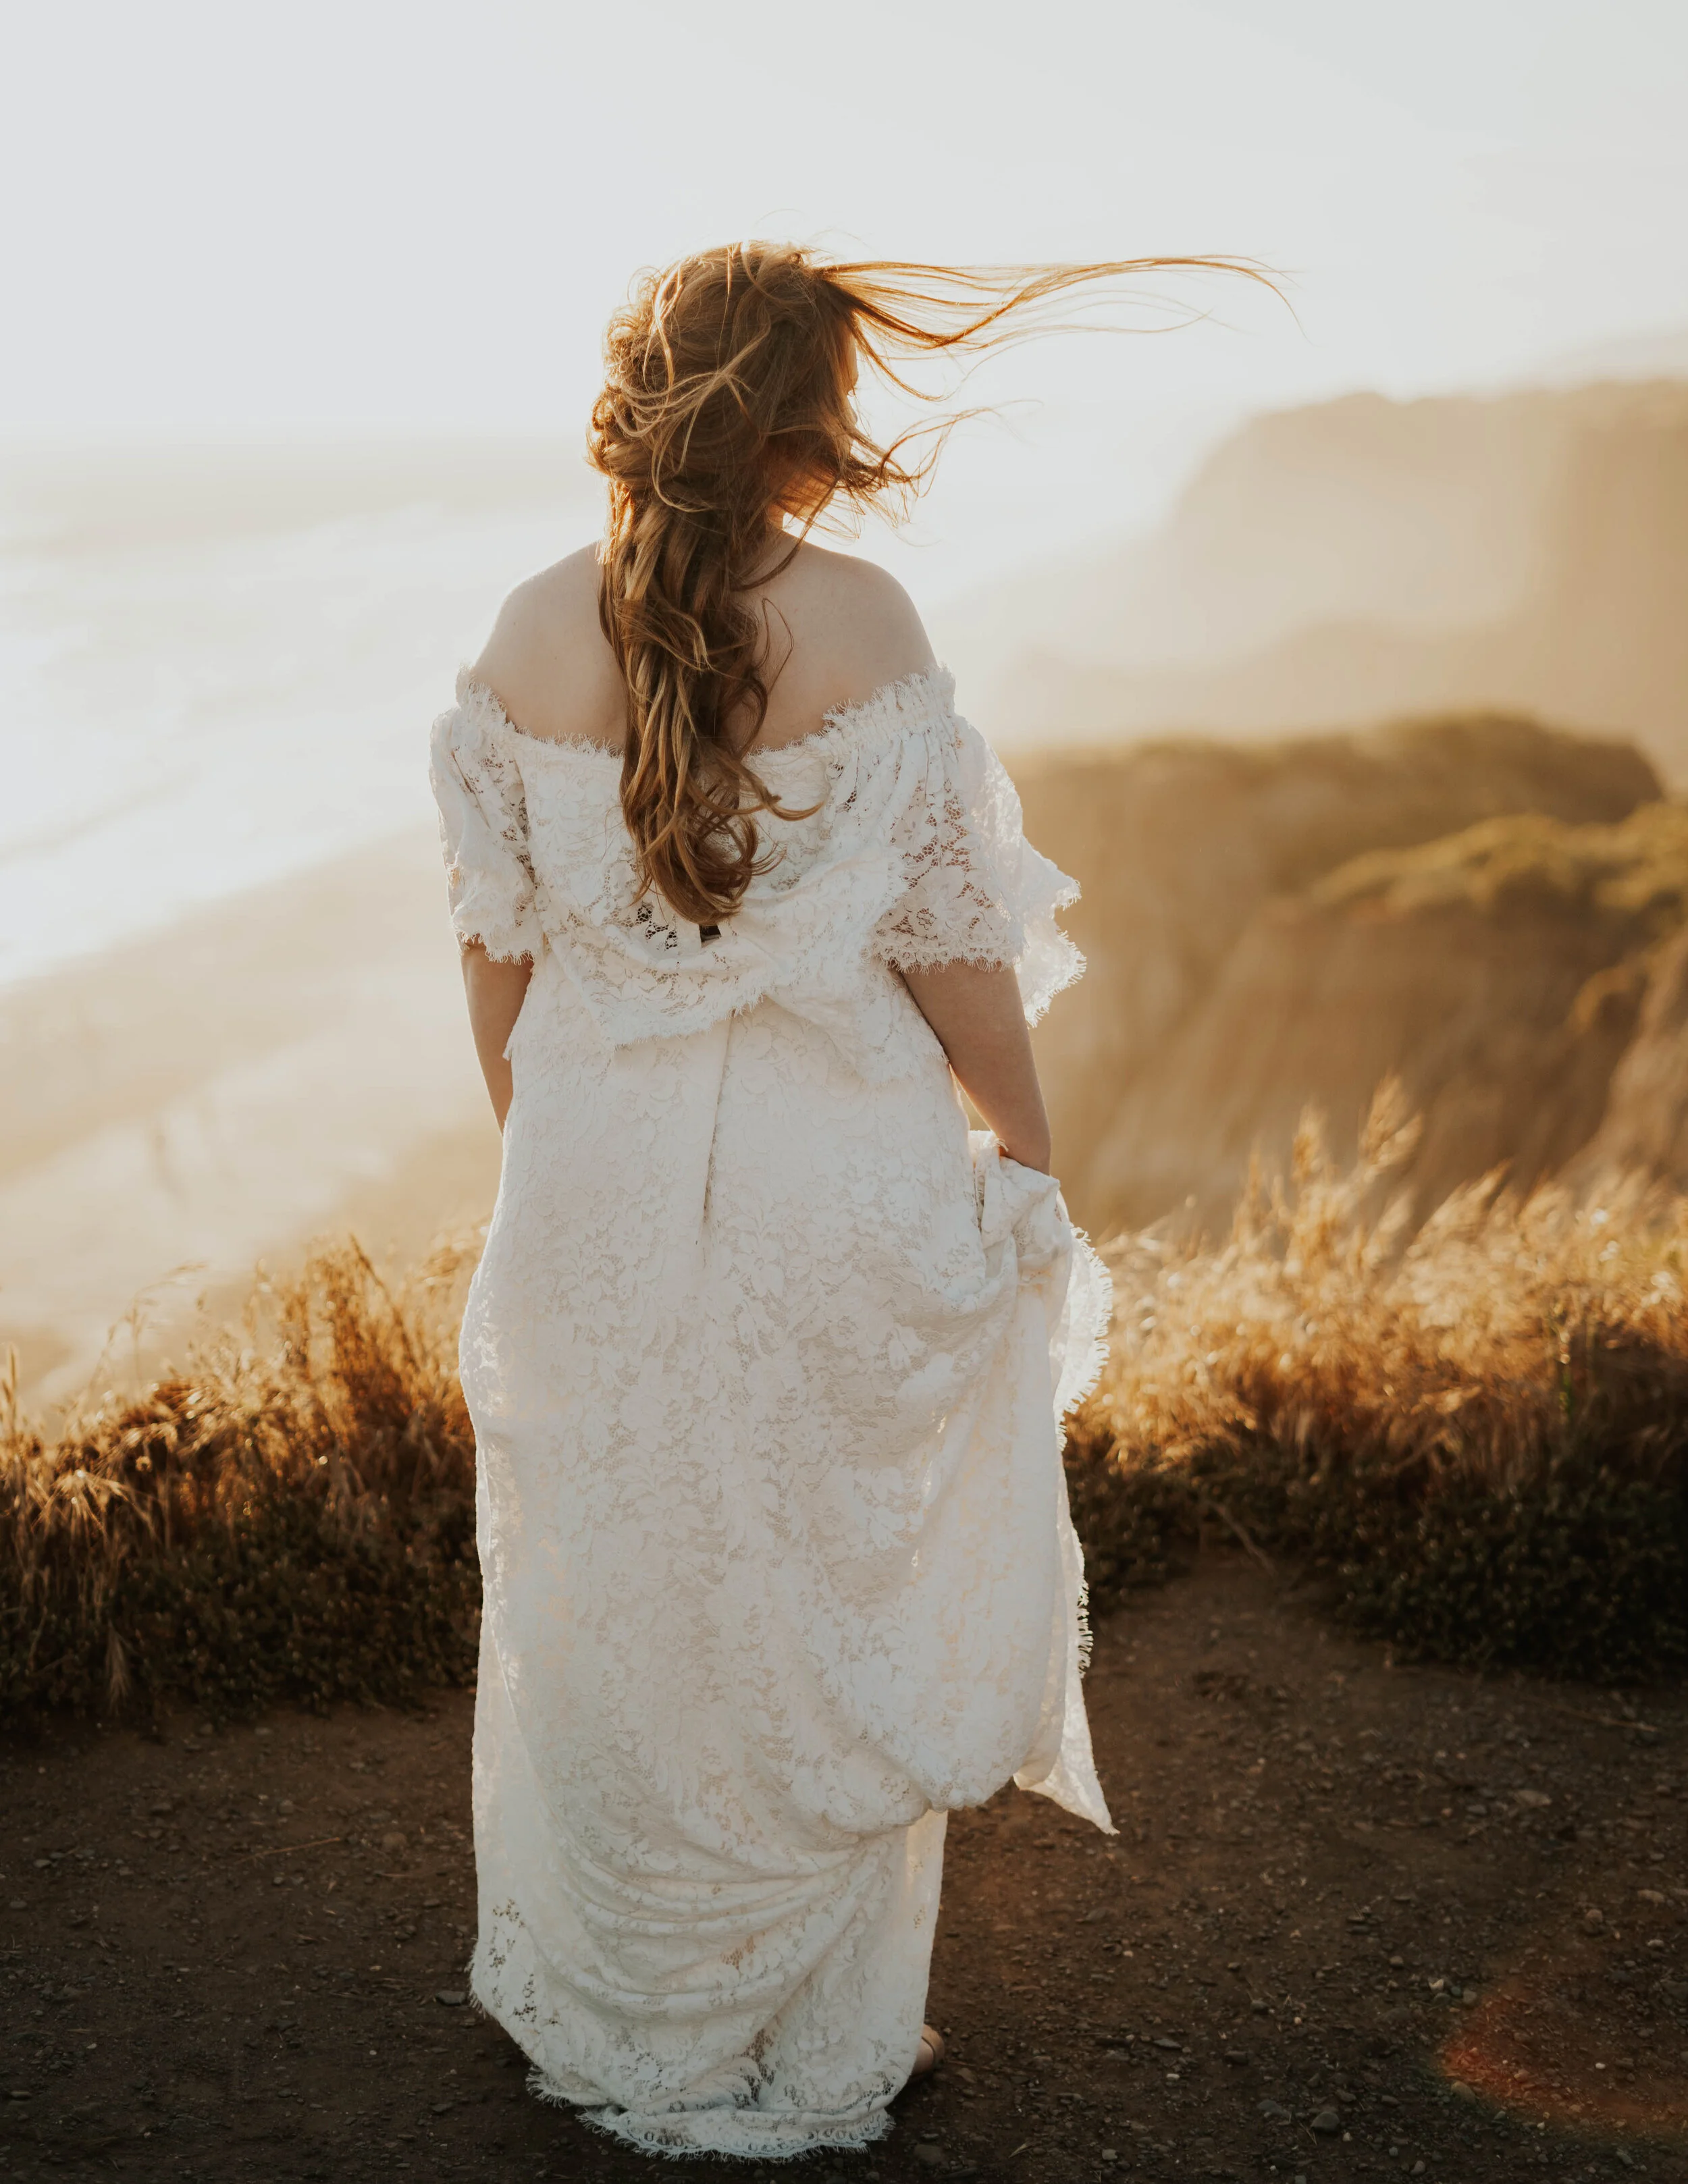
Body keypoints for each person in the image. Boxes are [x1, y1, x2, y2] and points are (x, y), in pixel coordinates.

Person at [429, 241, 1236, 2159]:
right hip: (834, 1164)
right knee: (815, 1573)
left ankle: (644, 2010)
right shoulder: (867, 624)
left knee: (623, 1575)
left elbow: (497, 954)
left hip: (600, 1166)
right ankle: (814, 2031)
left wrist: (540, 1152)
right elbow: (954, 948)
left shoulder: (527, 631)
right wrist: (1027, 1147)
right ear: (801, 417)